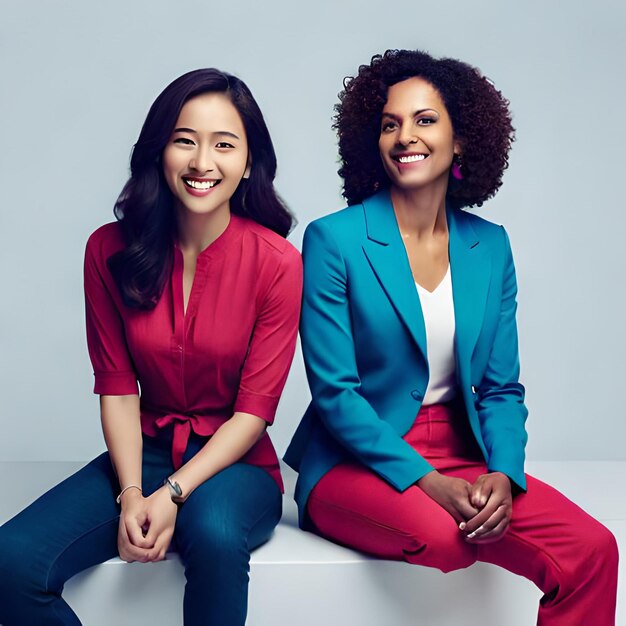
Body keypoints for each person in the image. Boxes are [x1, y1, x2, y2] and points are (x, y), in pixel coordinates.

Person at [284, 49, 618, 625]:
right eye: (390, 124)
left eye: (424, 120)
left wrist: (504, 474)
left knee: (592, 551)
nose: (404, 136)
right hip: (354, 462)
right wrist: (430, 483)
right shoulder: (334, 240)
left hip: (465, 456)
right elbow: (337, 395)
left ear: (461, 139)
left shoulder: (489, 245)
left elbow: (499, 388)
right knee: (447, 539)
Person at [0, 68, 302, 626]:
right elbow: (117, 387)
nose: (201, 163)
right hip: (142, 452)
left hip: (234, 463)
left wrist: (173, 494)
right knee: (10, 561)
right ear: (158, 150)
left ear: (249, 160)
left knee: (212, 533)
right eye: (184, 140)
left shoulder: (277, 263)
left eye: (224, 145)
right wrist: (134, 491)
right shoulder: (108, 250)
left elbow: (253, 414)